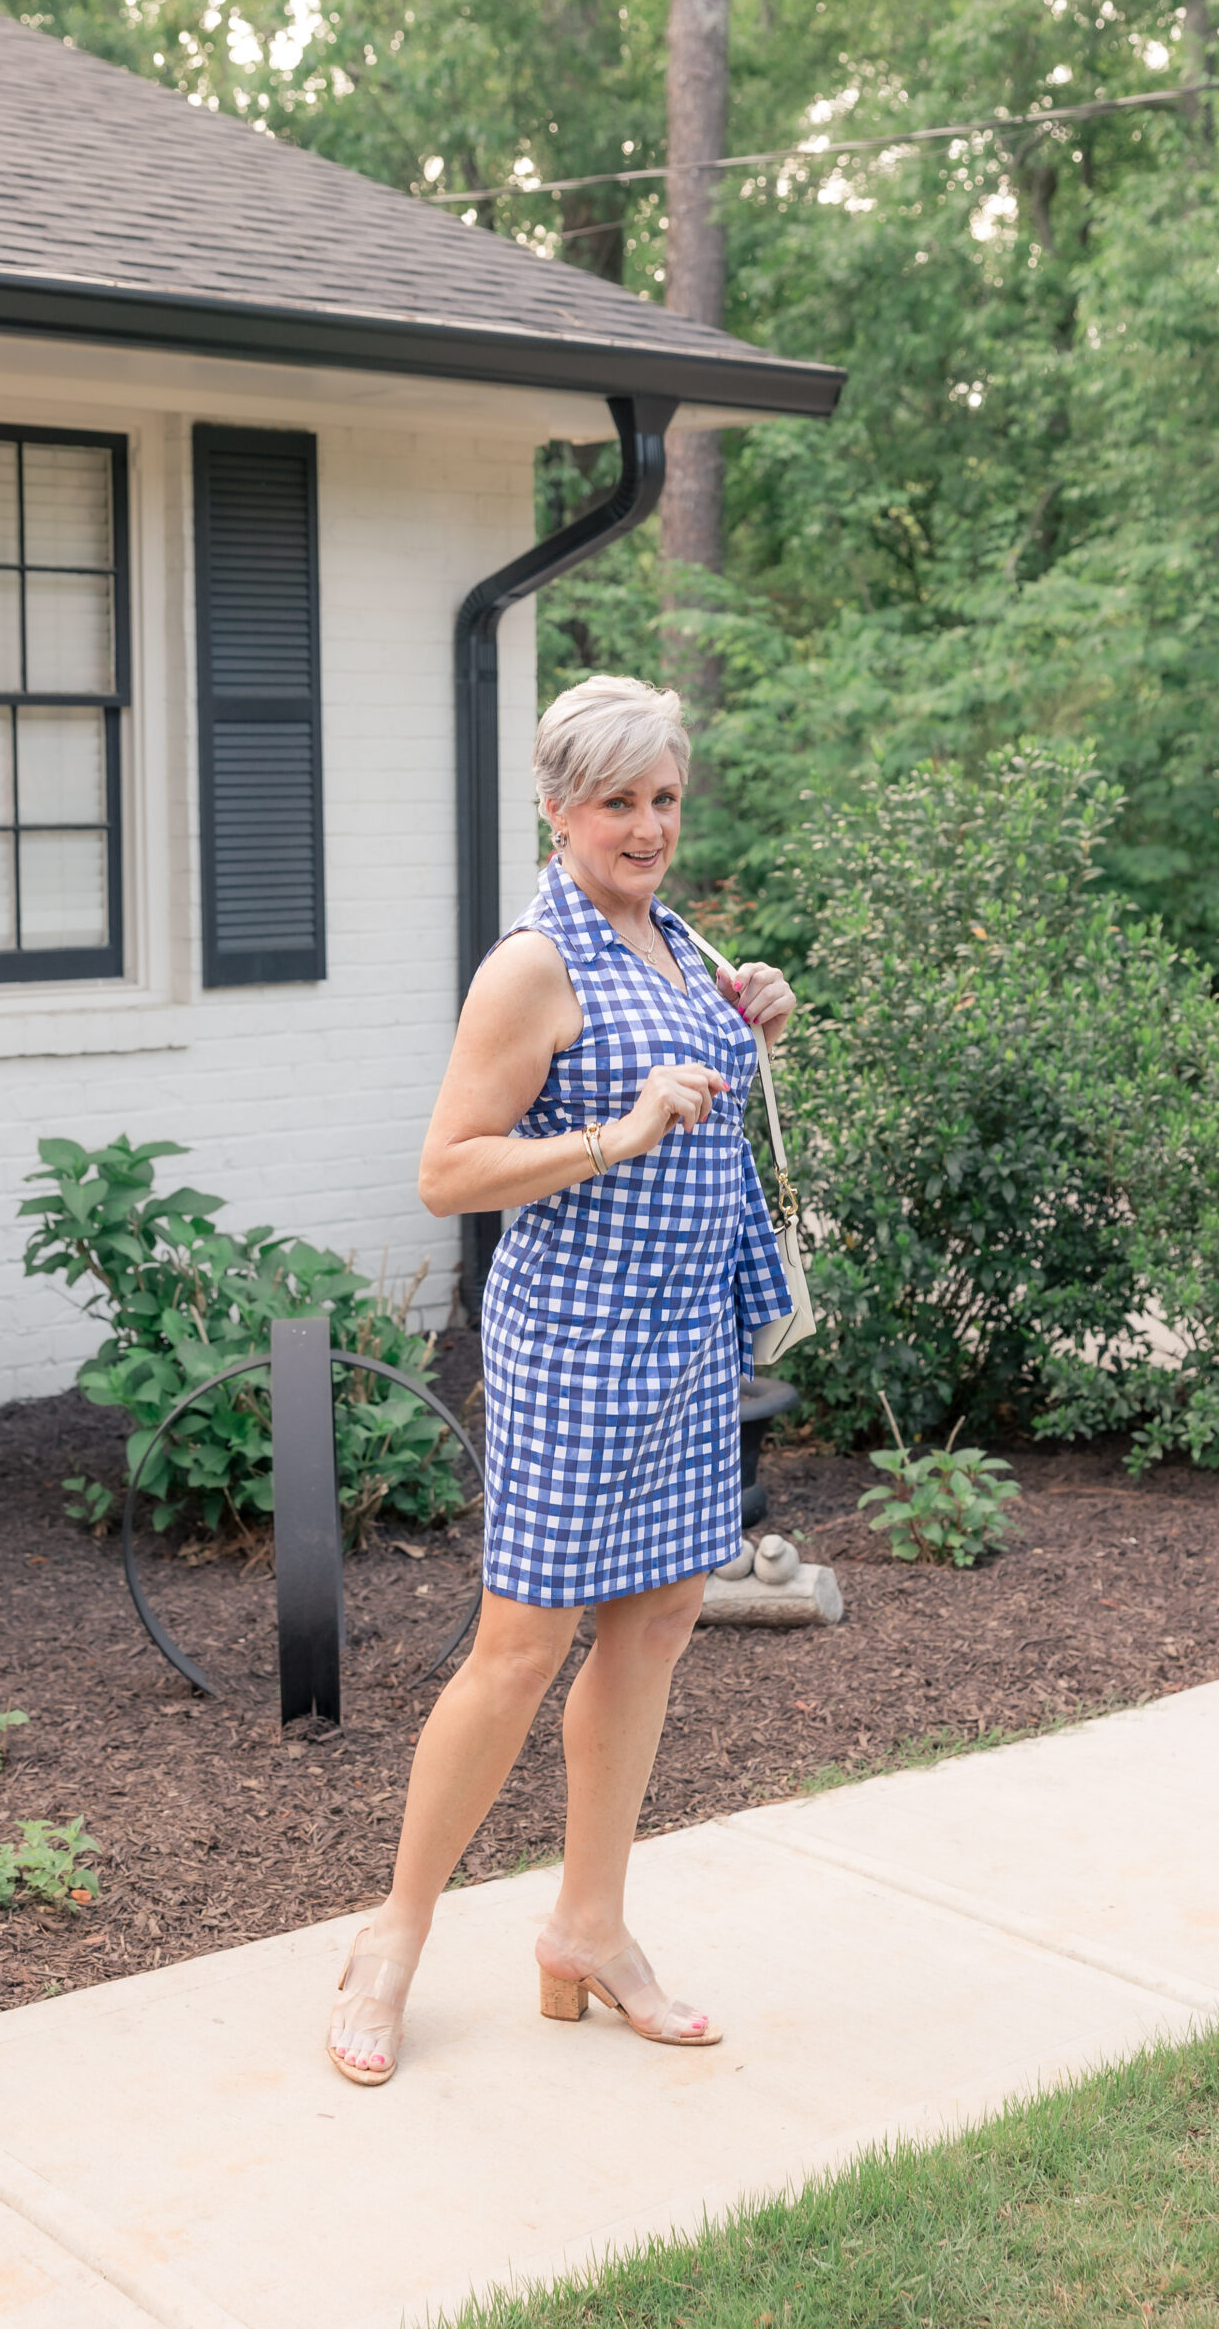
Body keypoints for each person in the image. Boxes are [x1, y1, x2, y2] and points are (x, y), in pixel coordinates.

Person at [325, 674, 797, 2085]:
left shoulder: (666, 936)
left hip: (686, 1341)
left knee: (653, 1629)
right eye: (618, 803)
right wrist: (620, 1130)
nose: (648, 826)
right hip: (578, 1349)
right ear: (557, 808)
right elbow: (445, 1172)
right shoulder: (534, 960)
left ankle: (589, 1929)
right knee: (520, 1650)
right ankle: (391, 1940)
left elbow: (692, 1092)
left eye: (663, 798)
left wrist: (750, 1015)